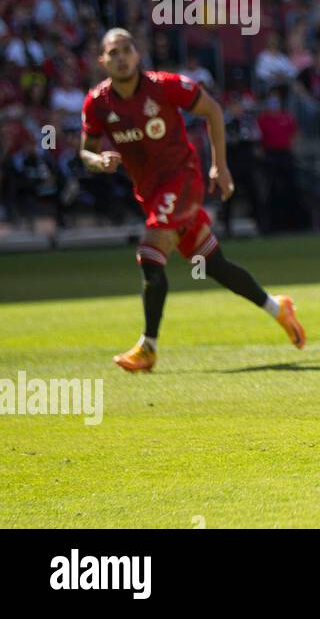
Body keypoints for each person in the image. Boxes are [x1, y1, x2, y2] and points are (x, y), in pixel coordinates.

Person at [80, 29, 306, 372]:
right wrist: (98, 162)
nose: (121, 57)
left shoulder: (166, 85)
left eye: (127, 50)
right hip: (151, 192)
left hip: (183, 180)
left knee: (151, 253)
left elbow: (213, 110)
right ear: (102, 60)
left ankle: (148, 347)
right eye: (113, 53)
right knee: (215, 265)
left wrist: (220, 165)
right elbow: (86, 149)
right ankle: (278, 309)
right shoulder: (97, 103)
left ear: (137, 54)